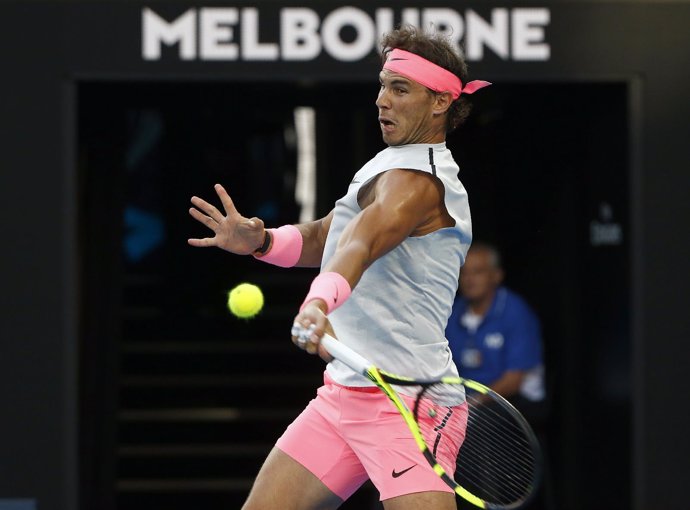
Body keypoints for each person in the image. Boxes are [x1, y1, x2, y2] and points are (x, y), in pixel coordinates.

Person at [188, 25, 490, 510]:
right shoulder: (386, 166)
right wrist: (263, 241)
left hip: (409, 405)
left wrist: (318, 302)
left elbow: (362, 243)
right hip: (345, 395)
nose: (381, 100)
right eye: (382, 84)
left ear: (439, 103)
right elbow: (329, 236)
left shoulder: (419, 183)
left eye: (400, 88)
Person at [445, 242, 546, 420]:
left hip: (513, 403)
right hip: (465, 401)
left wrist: (473, 403)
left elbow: (513, 381)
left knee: (480, 425)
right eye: (464, 272)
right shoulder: (453, 311)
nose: (469, 279)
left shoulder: (516, 312)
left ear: (496, 275)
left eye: (477, 272)